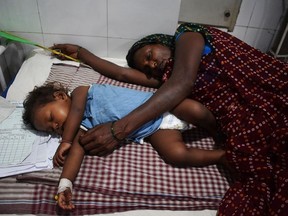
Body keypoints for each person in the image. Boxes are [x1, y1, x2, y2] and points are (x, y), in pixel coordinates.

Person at [51, 23, 288, 215]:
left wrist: (117, 130)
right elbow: (121, 73)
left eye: (150, 55)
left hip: (265, 92)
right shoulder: (166, 78)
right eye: (149, 67)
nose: (153, 64)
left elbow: (182, 83)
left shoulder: (188, 35)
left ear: (161, 41)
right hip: (235, 116)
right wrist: (81, 54)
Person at [22, 81, 226, 210]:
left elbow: (75, 111)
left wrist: (64, 140)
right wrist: (65, 185)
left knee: (197, 111)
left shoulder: (81, 93)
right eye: (51, 129)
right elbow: (76, 152)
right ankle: (222, 156)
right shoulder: (81, 129)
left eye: (51, 117)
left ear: (60, 96)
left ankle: (220, 131)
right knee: (176, 155)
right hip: (154, 129)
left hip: (161, 105)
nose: (56, 126)